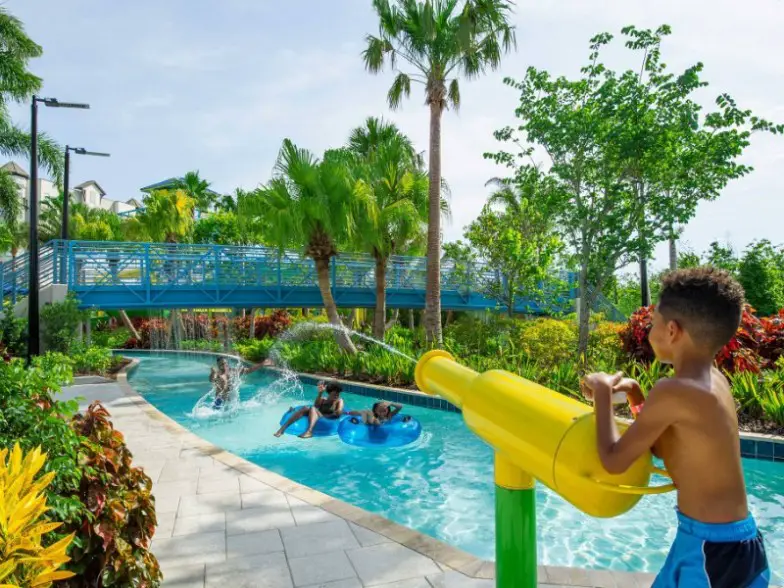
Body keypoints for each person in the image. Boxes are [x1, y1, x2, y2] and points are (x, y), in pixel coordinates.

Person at [581, 268, 769, 588]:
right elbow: (664, 444)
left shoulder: (674, 390)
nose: (649, 332)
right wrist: (635, 393)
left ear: (671, 330)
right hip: (728, 543)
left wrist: (601, 392)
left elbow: (613, 460)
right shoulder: (714, 381)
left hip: (712, 554)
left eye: (653, 323)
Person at [274, 381, 344, 438]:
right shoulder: (323, 400)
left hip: (327, 418)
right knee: (305, 408)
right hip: (319, 415)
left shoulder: (339, 401)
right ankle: (282, 429)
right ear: (329, 393)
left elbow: (339, 412)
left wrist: (337, 411)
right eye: (334, 394)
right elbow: (316, 405)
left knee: (312, 408)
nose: (336, 396)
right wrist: (320, 393)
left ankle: (309, 431)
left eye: (338, 394)